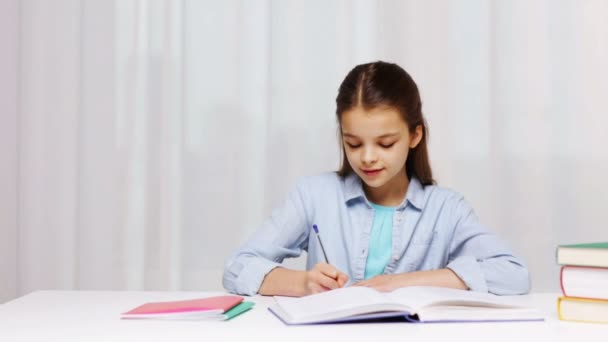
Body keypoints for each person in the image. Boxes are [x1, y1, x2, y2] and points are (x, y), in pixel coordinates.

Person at [222, 61, 530, 297]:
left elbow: (514, 274)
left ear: (415, 135)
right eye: (353, 143)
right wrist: (303, 282)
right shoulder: (314, 196)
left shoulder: (446, 209)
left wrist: (399, 284)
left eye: (385, 143)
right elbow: (238, 267)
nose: (367, 157)